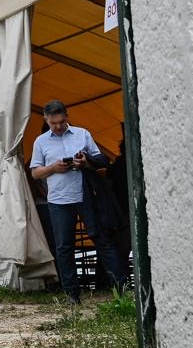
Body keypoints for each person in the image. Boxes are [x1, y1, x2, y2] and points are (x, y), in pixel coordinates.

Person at [29, 100, 129, 304]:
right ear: (46, 120)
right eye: (53, 123)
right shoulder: (40, 142)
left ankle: (122, 287)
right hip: (58, 200)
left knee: (102, 239)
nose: (57, 126)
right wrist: (54, 168)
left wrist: (86, 162)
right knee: (64, 247)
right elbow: (35, 172)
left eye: (61, 121)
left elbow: (102, 159)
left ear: (66, 116)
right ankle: (71, 294)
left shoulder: (82, 134)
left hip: (86, 196)